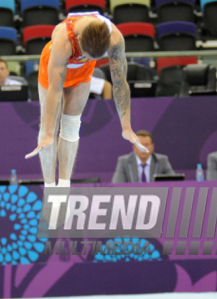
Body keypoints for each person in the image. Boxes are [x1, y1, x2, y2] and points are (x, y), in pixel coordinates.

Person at [25, 12, 146, 188]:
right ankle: (50, 187)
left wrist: (126, 126)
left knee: (72, 124)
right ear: (79, 39)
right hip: (54, 66)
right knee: (47, 130)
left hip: (83, 72)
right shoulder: (63, 39)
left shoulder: (115, 38)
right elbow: (55, 89)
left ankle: (64, 186)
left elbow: (120, 82)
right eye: (87, 55)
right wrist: (50, 132)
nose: (88, 59)